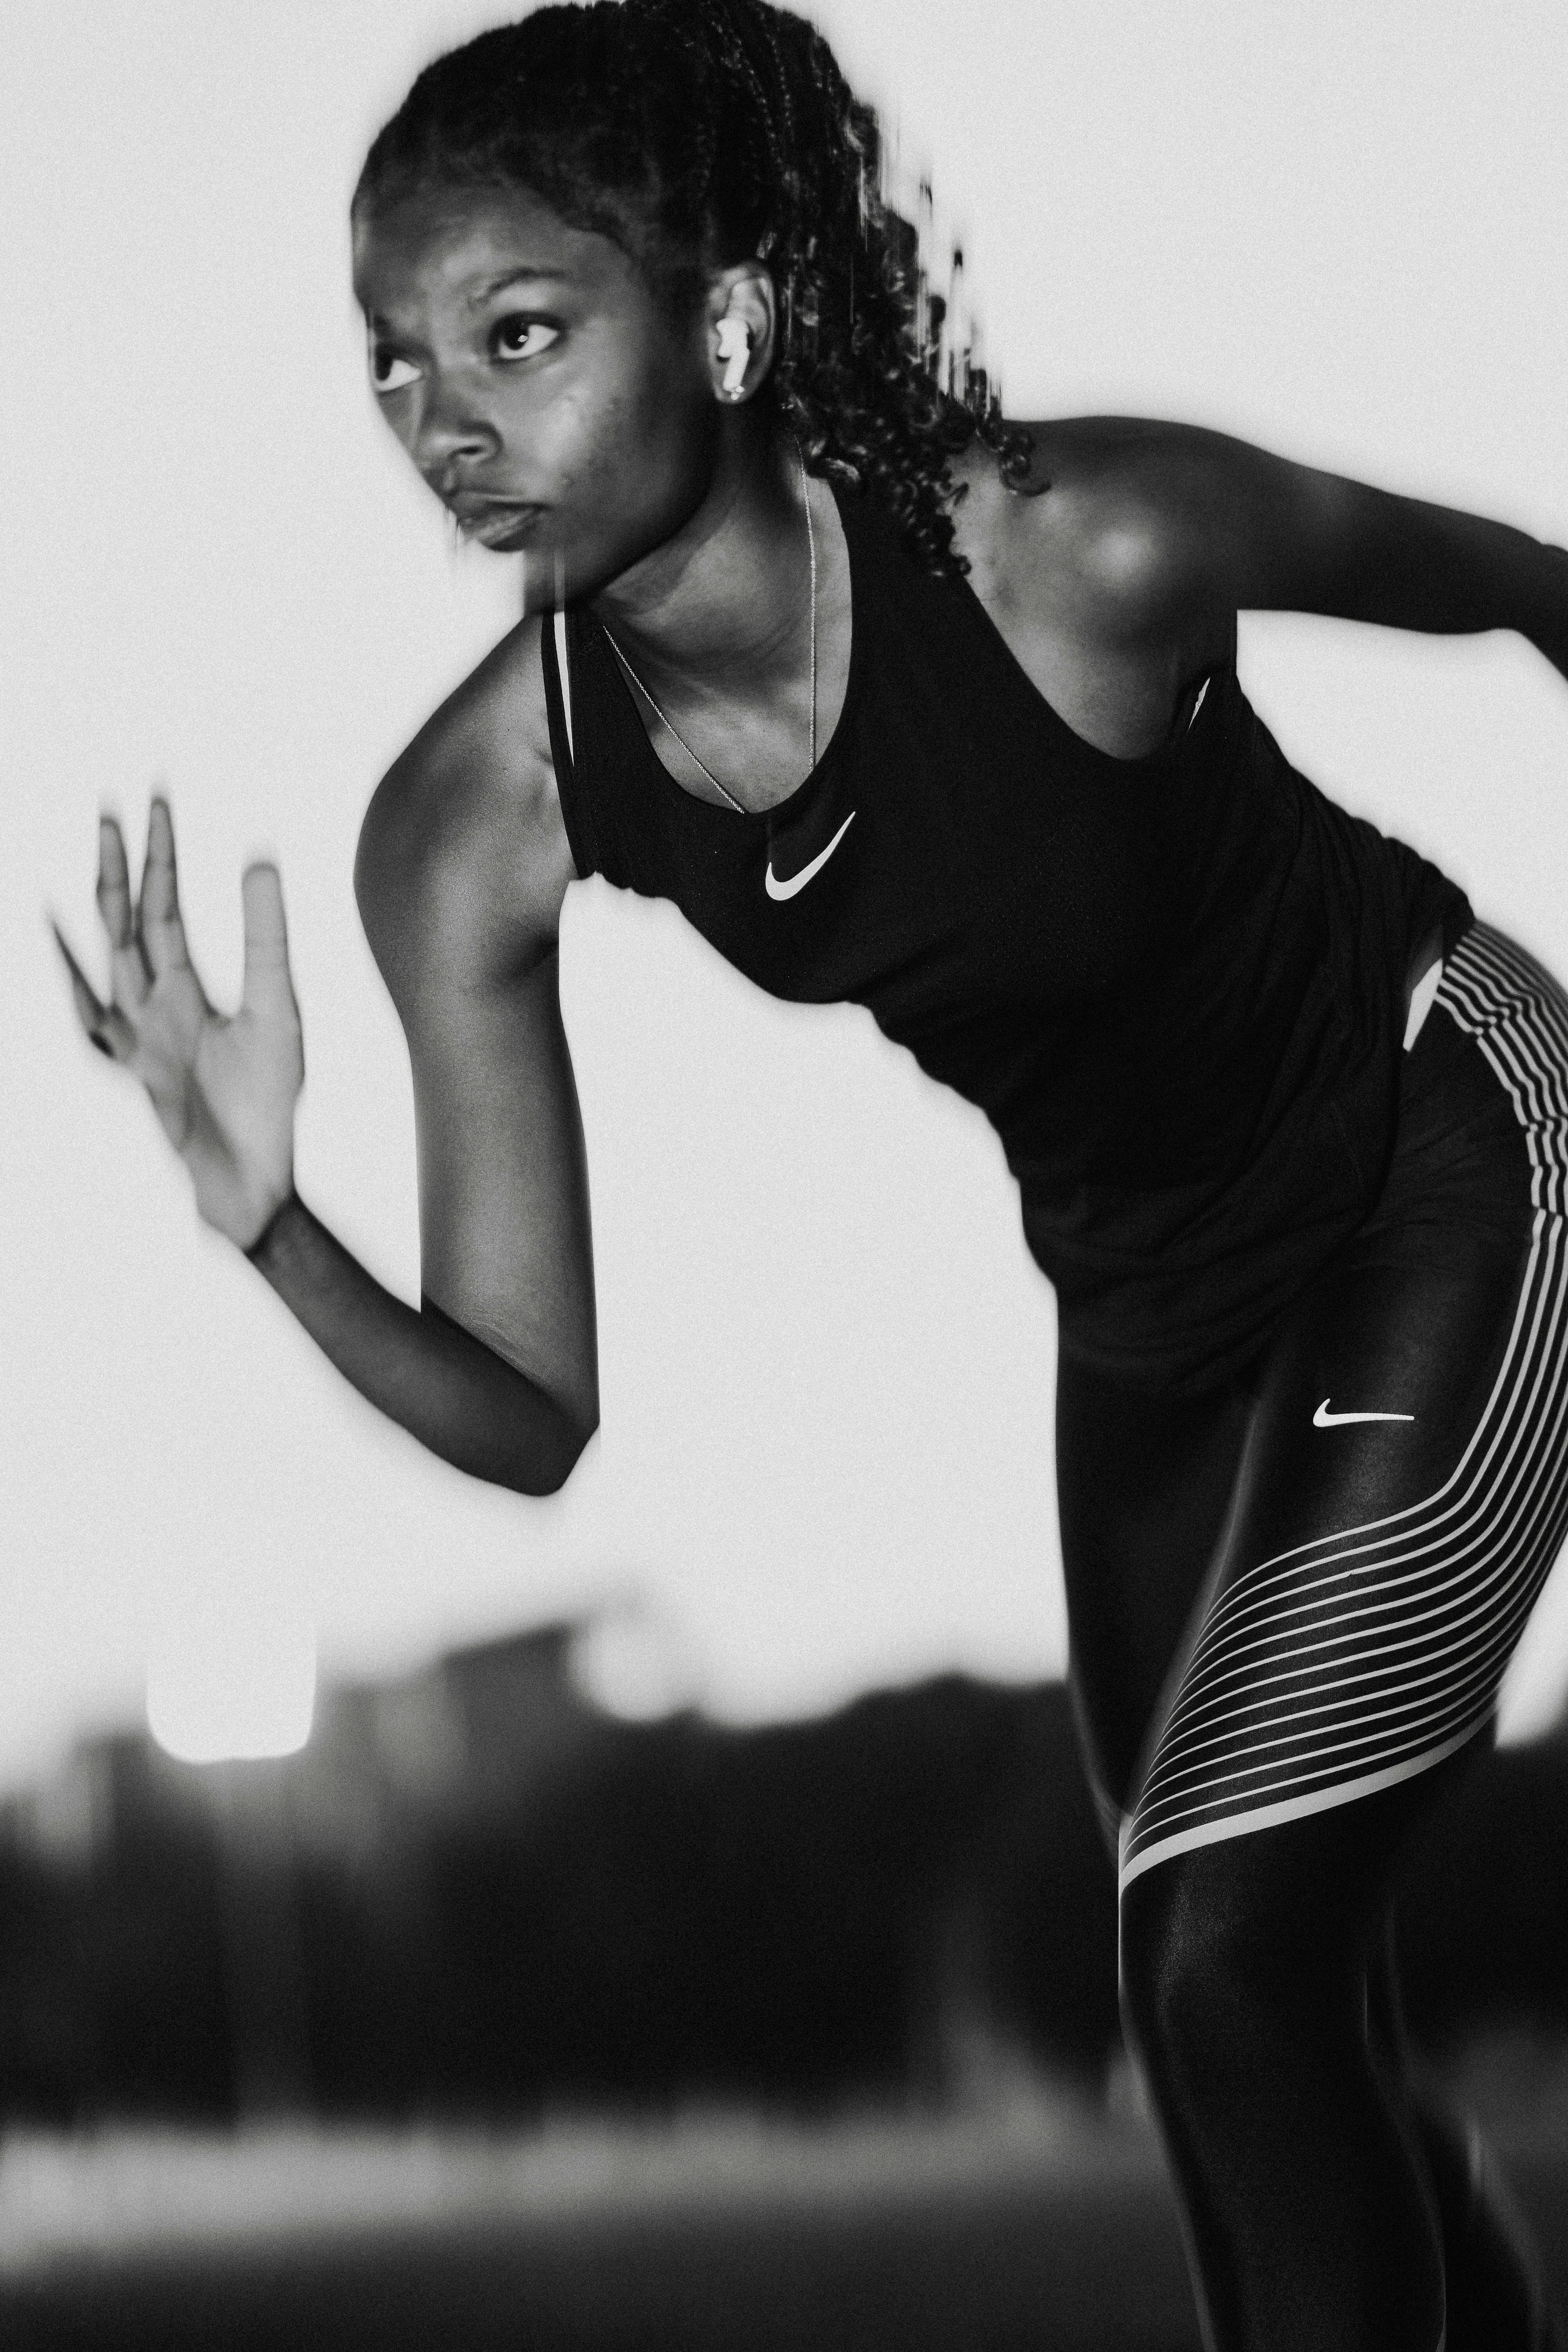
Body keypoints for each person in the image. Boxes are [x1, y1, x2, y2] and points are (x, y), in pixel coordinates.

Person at [55, 2, 1568, 2344]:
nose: (443, 420)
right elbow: (530, 1415)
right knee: (1248, 2010)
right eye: (395, 364)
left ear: (735, 323)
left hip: (1440, 1144)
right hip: (1148, 1313)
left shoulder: (1070, 547)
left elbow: (1520, 580)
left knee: (1225, 1961)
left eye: (518, 333)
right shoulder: (472, 825)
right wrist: (268, 1221)